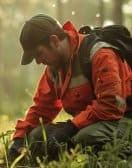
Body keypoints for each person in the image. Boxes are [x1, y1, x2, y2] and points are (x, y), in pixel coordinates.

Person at [8, 13, 132, 163]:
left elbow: (111, 106)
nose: (39, 61)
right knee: (37, 136)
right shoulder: (53, 68)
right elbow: (41, 108)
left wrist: (70, 127)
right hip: (90, 124)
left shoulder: (100, 54)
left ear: (54, 41)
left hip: (123, 119)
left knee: (86, 137)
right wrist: (19, 139)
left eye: (39, 54)